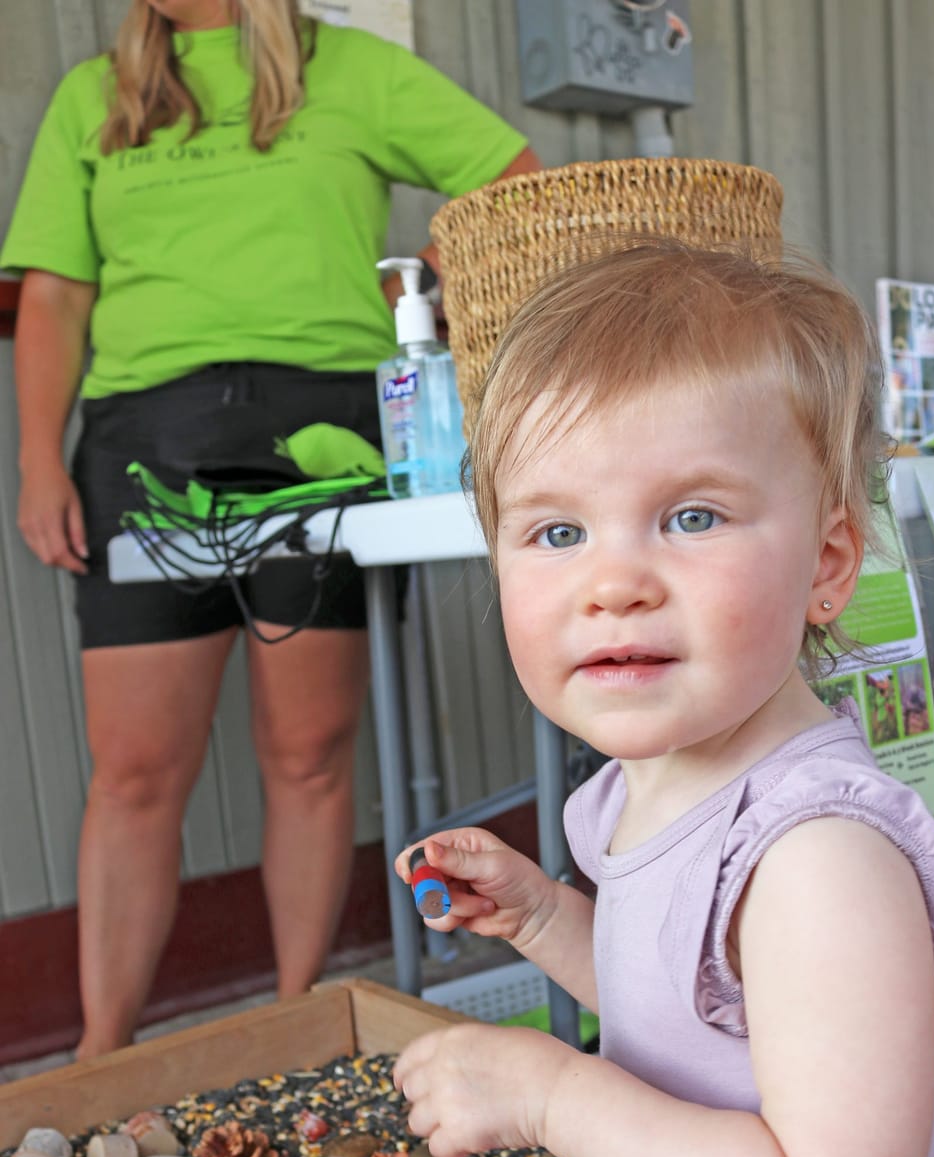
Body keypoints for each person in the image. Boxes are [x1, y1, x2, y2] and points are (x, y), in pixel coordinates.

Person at [392, 241, 934, 1157]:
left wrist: (551, 1098)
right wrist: (551, 922)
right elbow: (695, 1009)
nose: (614, 582)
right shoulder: (648, 782)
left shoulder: (816, 859)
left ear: (827, 564)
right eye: (556, 530)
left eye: (691, 517)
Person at [1, 0, 540, 1059]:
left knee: (307, 754)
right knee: (134, 771)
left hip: (323, 435)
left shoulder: (356, 69)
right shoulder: (93, 97)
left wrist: (423, 287)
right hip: (144, 445)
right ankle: (99, 1058)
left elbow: (509, 179)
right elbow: (57, 296)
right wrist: (36, 463)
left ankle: (300, 1025)